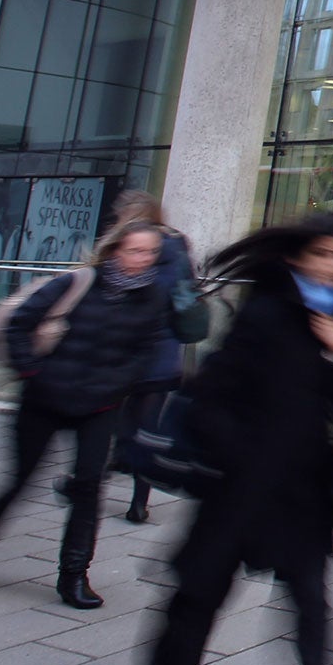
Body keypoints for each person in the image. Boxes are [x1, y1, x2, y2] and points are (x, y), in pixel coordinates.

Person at [139, 213, 333, 665]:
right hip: (238, 487)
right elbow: (214, 395)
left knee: (310, 602)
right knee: (199, 596)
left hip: (301, 489)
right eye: (328, 254)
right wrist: (239, 459)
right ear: (299, 256)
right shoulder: (267, 309)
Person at [0, 222, 171, 609]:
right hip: (45, 399)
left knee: (88, 487)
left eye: (150, 252)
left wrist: (118, 385)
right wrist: (35, 373)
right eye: (135, 250)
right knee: (20, 481)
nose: (143, 259)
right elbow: (20, 324)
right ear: (116, 250)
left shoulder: (153, 297)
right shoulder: (80, 283)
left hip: (100, 406)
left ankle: (73, 576)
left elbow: (147, 349)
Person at [107, 190, 199, 524]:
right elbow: (185, 292)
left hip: (131, 352)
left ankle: (98, 474)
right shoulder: (178, 246)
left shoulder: (132, 249)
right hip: (164, 352)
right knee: (143, 425)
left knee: (117, 422)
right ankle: (138, 502)